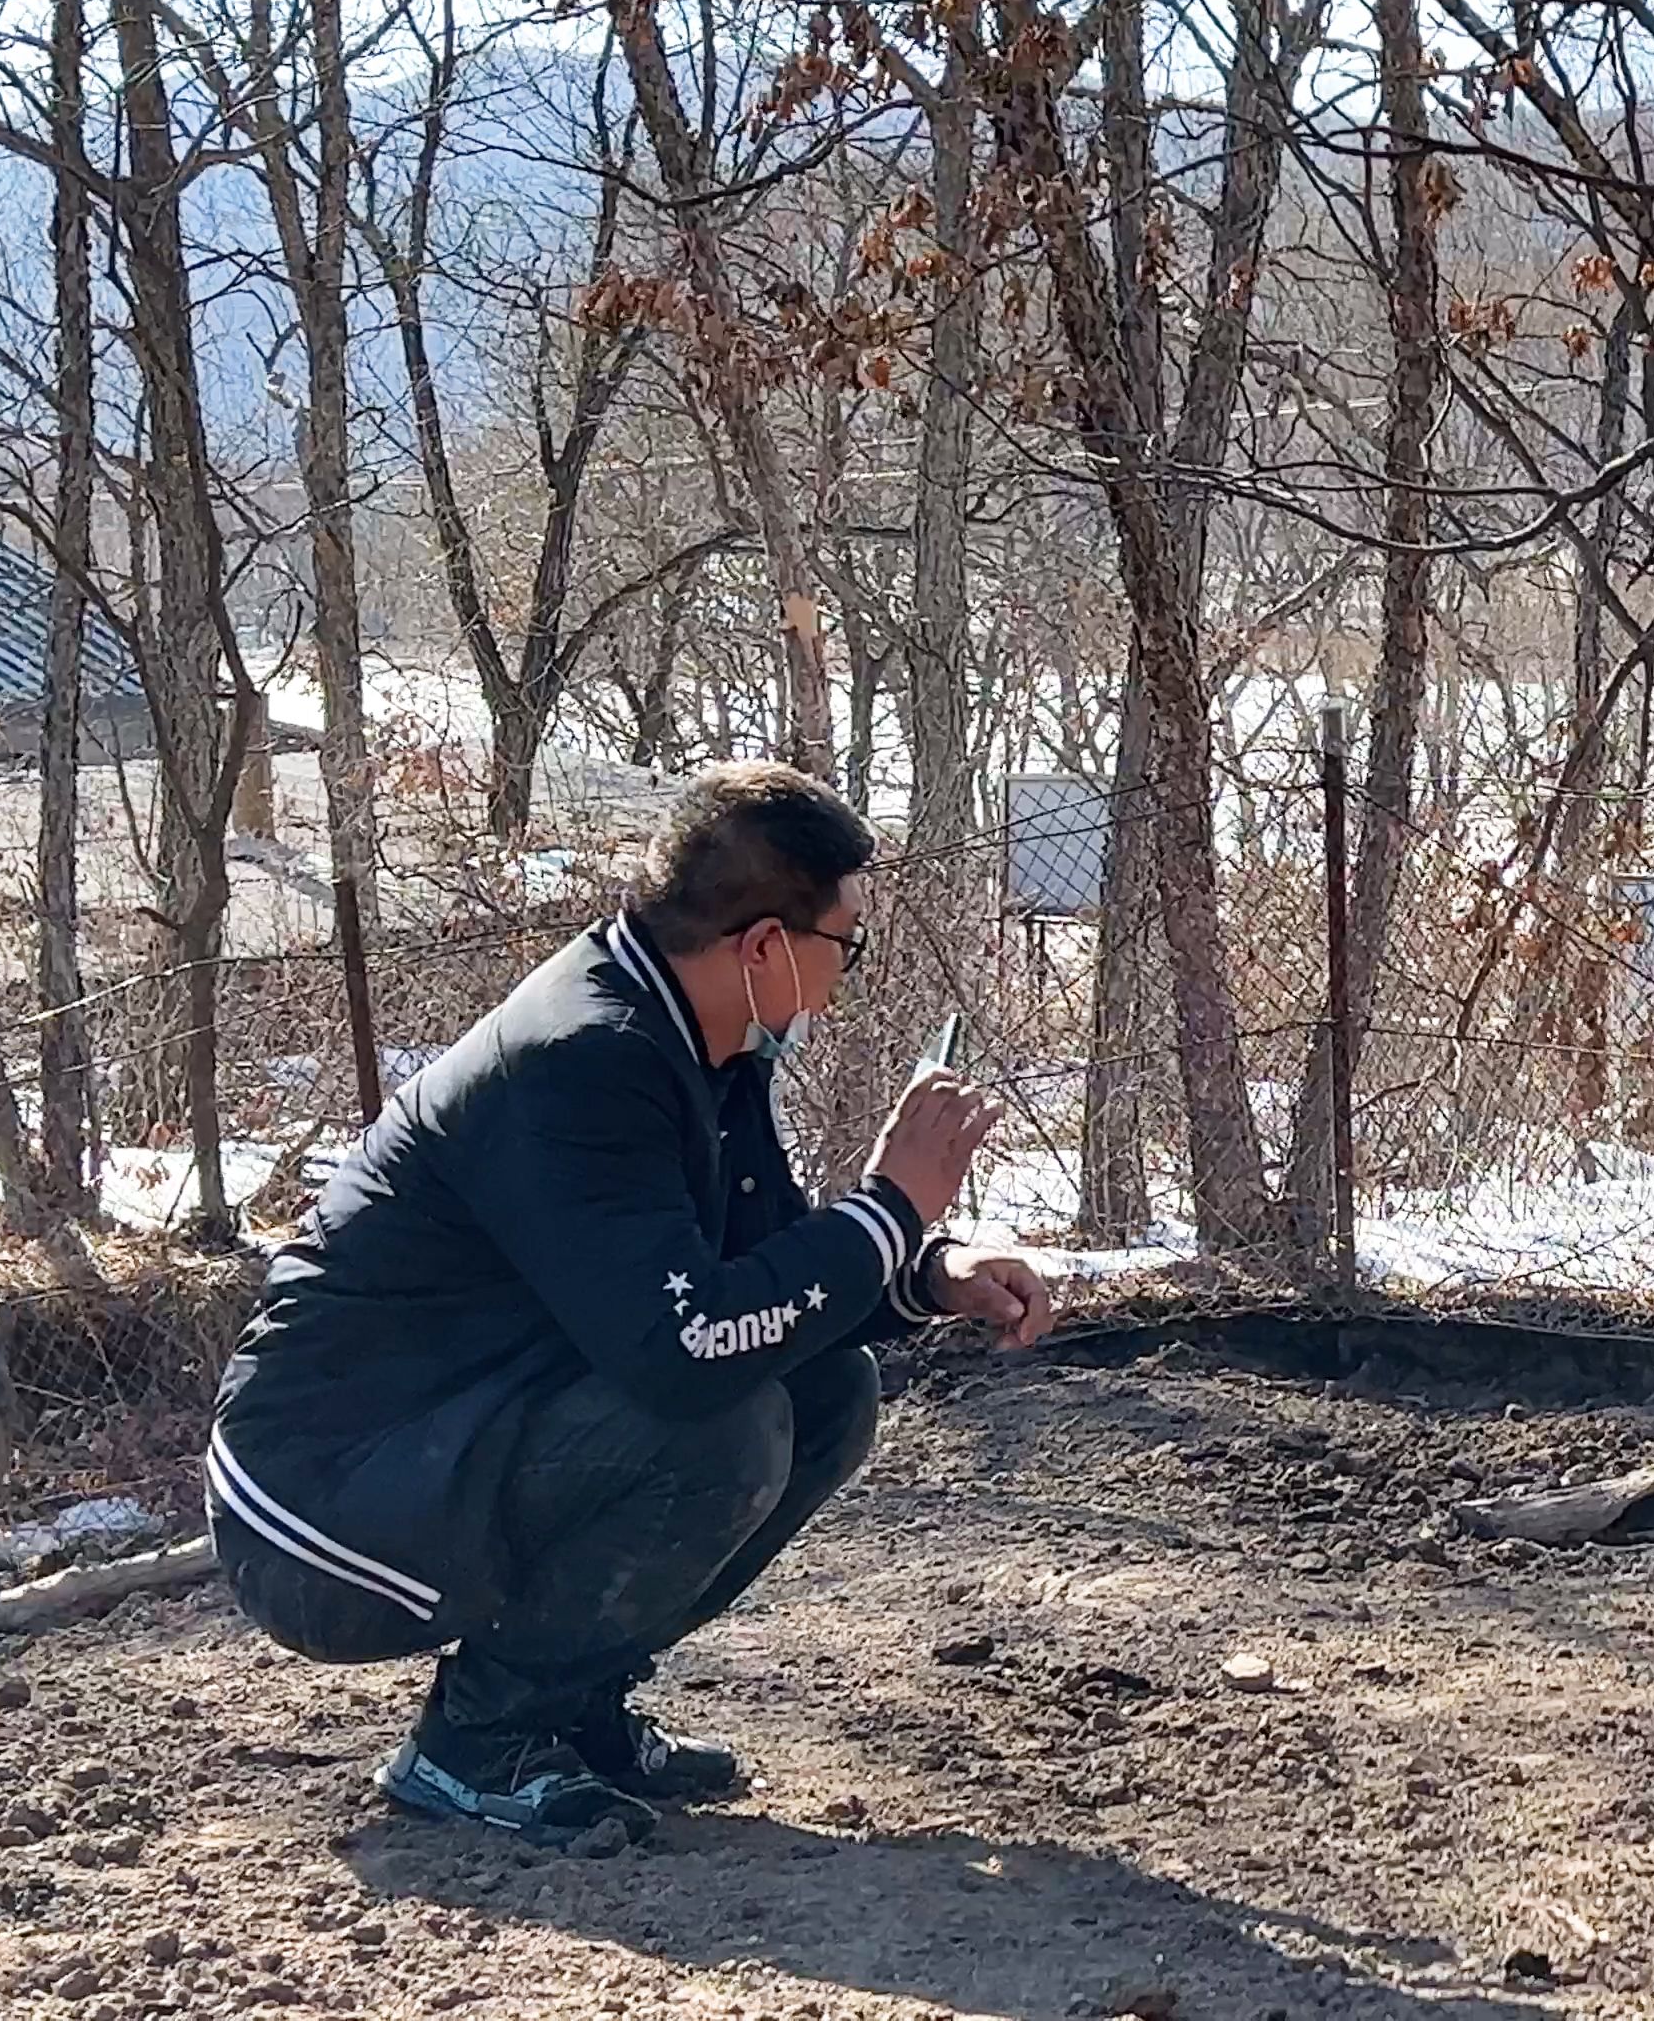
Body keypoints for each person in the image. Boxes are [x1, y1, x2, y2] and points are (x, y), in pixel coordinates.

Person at [206, 762, 1054, 1848]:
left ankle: (570, 1706)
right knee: (725, 1429)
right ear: (760, 946)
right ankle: (480, 1743)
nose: (847, 978)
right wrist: (891, 1205)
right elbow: (688, 1348)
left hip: (449, 1430)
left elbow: (758, 1279)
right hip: (321, 1511)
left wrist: (927, 1276)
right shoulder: (586, 1061)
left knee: (826, 1388)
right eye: (844, 945)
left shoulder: (696, 1035)